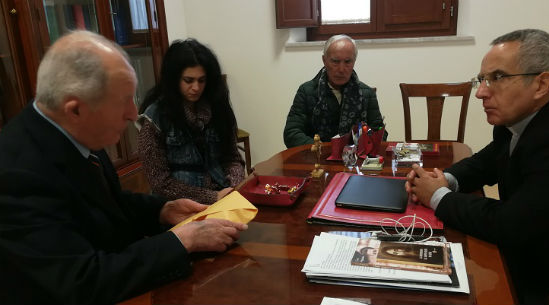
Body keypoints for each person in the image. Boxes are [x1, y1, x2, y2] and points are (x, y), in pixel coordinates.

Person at [0, 31, 247, 304]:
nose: (133, 114)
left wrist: (162, 211)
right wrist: (181, 241)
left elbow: (106, 203)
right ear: (76, 109)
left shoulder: (74, 130)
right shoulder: (15, 176)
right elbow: (83, 281)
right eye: (123, 101)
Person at [405, 29, 549, 304]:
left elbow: (510, 224)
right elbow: (487, 160)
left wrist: (437, 196)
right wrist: (445, 178)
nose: (481, 92)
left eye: (497, 78)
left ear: (541, 84)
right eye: (482, 79)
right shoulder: (523, 118)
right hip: (527, 250)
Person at [137, 39, 244, 204]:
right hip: (179, 207)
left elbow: (232, 158)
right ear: (174, 79)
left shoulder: (217, 108)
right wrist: (211, 197)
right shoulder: (155, 117)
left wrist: (233, 187)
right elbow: (160, 182)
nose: (196, 87)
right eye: (189, 80)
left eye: (202, 80)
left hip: (223, 197)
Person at [283, 34, 386, 148]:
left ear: (354, 62)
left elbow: (379, 132)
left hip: (355, 160)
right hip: (317, 159)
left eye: (347, 62)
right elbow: (291, 134)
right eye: (335, 61)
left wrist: (363, 143)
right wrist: (326, 149)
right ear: (324, 60)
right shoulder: (307, 91)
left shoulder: (366, 93)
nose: (341, 69)